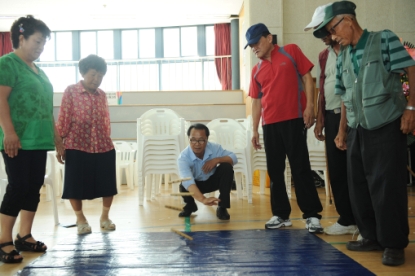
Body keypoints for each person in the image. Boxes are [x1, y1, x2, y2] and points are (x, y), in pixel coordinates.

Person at [314, 0, 415, 266]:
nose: (332, 37)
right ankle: (371, 236)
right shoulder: (343, 55)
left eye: (333, 30)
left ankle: (393, 243)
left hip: (386, 123)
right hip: (358, 128)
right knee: (359, 186)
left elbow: (411, 69)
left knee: (387, 187)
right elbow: (345, 95)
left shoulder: (384, 40)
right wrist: (343, 130)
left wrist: (411, 107)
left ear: (347, 20)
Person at [245, 23, 324, 233]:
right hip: (269, 125)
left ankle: (312, 215)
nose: (254, 48)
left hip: (294, 119)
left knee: (300, 167)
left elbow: (308, 78)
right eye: (250, 46)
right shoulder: (256, 70)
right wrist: (254, 129)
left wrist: (310, 106)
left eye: (256, 43)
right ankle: (281, 215)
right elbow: (256, 102)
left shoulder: (291, 51)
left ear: (269, 38)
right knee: (275, 170)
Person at [0, 15, 64, 263]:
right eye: (37, 42)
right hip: (18, 139)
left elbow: (46, 108)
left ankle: (24, 235)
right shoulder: (7, 63)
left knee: (33, 186)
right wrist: (10, 133)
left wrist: (57, 138)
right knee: (18, 187)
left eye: (43, 44)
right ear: (21, 37)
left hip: (39, 139)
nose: (40, 48)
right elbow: (0, 99)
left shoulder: (39, 71)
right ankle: (4, 239)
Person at [305, 4, 357, 235]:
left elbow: (349, 90)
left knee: (355, 171)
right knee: (335, 171)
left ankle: (363, 220)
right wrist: (320, 118)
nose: (323, 38)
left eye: (323, 32)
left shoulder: (351, 48)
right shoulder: (324, 55)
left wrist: (344, 128)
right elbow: (322, 87)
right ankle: (346, 219)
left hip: (353, 119)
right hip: (331, 116)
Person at [56, 54, 117, 235]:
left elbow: (105, 119)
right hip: (77, 144)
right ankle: (80, 219)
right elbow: (64, 117)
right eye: (92, 75)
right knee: (74, 185)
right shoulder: (71, 91)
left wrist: (106, 137)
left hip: (102, 144)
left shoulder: (102, 95)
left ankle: (105, 217)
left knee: (108, 183)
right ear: (83, 73)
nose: (96, 79)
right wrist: (60, 143)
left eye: (100, 76)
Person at [177, 123, 237, 220]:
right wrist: (203, 199)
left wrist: (217, 160)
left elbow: (234, 158)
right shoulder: (183, 157)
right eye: (193, 140)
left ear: (207, 139)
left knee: (227, 167)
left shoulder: (215, 148)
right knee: (183, 185)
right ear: (188, 139)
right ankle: (190, 206)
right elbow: (188, 181)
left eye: (201, 140)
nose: (197, 143)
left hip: (212, 181)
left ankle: (222, 207)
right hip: (196, 185)